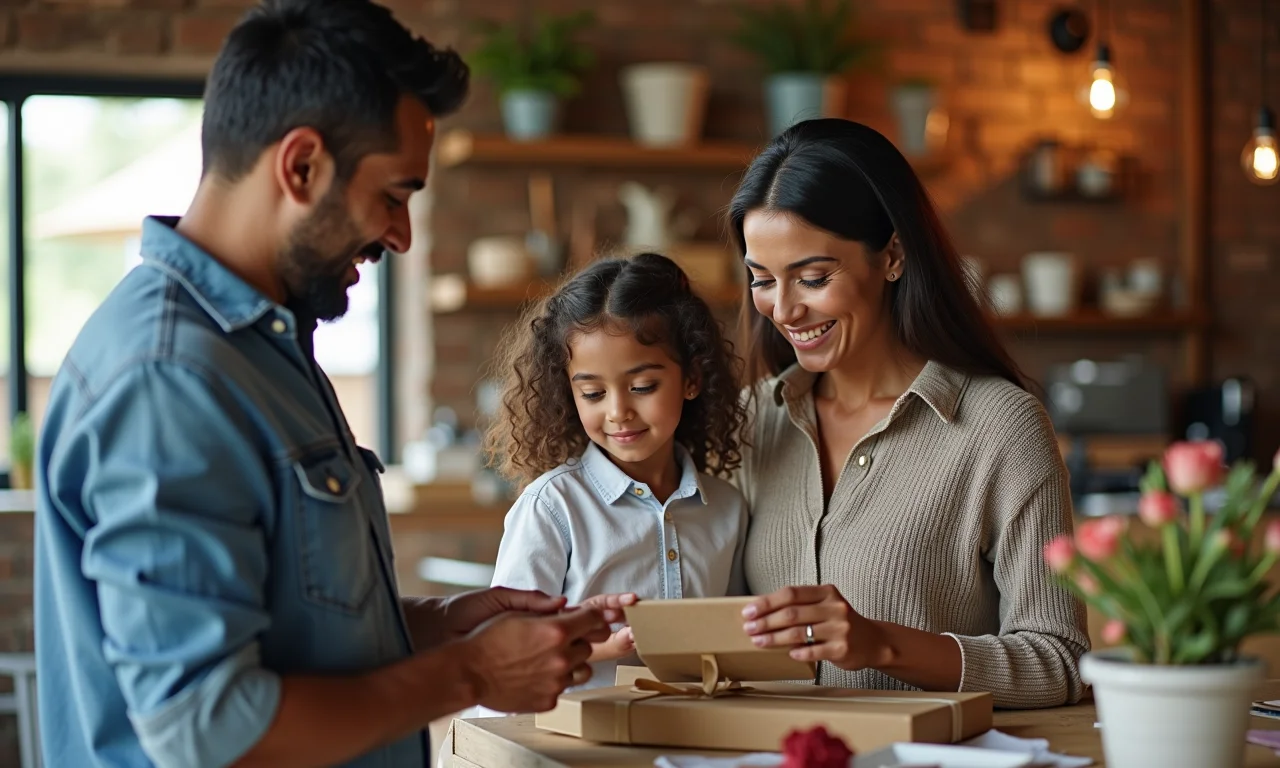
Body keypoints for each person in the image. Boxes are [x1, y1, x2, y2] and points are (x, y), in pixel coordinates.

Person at [33, 2, 620, 767]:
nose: (402, 237)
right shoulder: (170, 380)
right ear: (301, 165)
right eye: (394, 196)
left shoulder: (262, 346)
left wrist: (450, 623)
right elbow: (209, 729)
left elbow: (288, 633)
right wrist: (472, 672)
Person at [728, 118, 1089, 709]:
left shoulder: (998, 427)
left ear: (892, 255)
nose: (785, 309)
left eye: (814, 277)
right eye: (762, 279)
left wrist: (882, 646)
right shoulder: (752, 422)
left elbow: (1062, 660)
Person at [482, 253, 751, 692]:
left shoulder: (727, 509)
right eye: (592, 392)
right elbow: (506, 651)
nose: (618, 412)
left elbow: (733, 642)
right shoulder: (552, 507)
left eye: (643, 387)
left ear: (692, 379)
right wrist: (600, 649)